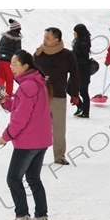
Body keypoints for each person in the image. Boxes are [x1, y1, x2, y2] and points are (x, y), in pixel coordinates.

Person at [0, 50, 53, 220]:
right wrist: (7, 102)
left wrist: (6, 136)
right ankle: (41, 215)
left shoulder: (28, 86)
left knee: (13, 178)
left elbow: (21, 118)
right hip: (40, 139)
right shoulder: (35, 82)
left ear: (25, 66)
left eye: (14, 64)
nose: (11, 67)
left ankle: (22, 215)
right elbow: (21, 106)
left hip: (28, 141)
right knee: (33, 177)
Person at [33, 27, 80, 165]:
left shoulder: (67, 55)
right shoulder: (38, 54)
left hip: (58, 96)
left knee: (59, 128)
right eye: (44, 37)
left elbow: (75, 75)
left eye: (48, 38)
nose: (44, 40)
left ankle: (59, 156)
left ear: (56, 40)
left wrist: (75, 93)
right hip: (39, 97)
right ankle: (34, 156)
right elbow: (30, 74)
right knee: (38, 127)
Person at [68, 24, 92, 118]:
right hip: (77, 69)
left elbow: (84, 57)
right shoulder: (78, 41)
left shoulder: (83, 42)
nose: (74, 34)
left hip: (82, 70)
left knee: (83, 90)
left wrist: (73, 54)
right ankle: (81, 106)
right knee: (69, 88)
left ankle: (85, 111)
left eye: (75, 32)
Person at [0, 19, 22, 97]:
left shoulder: (4, 37)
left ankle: (1, 88)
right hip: (9, 61)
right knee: (9, 79)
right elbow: (18, 52)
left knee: (0, 76)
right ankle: (8, 96)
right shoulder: (17, 39)